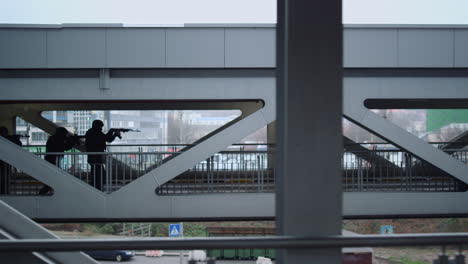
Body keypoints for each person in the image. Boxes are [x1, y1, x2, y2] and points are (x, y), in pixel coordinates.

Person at [39, 127, 77, 195]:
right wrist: (72, 141)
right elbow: (65, 147)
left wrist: (71, 140)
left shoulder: (54, 138)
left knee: (52, 175)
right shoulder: (58, 139)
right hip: (54, 159)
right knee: (54, 174)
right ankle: (49, 188)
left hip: (51, 158)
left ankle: (49, 188)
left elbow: (63, 147)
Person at [85, 120, 119, 191]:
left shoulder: (92, 132)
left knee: (97, 174)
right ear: (97, 126)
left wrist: (113, 135)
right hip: (95, 157)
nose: (101, 128)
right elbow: (105, 138)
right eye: (100, 126)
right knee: (99, 175)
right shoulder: (94, 133)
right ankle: (97, 189)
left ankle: (97, 188)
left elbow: (107, 139)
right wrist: (111, 133)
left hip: (95, 157)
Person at [0, 126, 23, 195]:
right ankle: (5, 192)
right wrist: (16, 138)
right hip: (6, 162)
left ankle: (4, 192)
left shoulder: (8, 138)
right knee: (5, 178)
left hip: (5, 162)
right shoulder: (9, 138)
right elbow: (19, 145)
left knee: (4, 178)